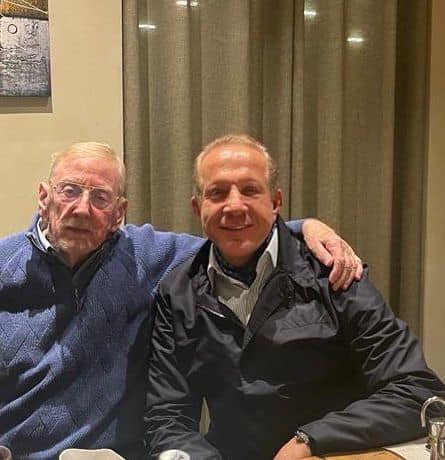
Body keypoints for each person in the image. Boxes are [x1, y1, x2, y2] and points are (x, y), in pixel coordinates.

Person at [0, 142, 361, 460]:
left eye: (100, 198)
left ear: (119, 213)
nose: (81, 208)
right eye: (69, 191)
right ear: (43, 197)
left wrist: (302, 228)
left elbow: (235, 237)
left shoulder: (149, 256)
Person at [144, 134, 445, 460]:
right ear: (197, 207)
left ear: (275, 202)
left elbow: (418, 392)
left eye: (250, 190)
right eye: (217, 193)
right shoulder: (176, 292)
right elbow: (167, 416)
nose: (234, 205)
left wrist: (311, 440)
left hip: (328, 455)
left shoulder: (333, 274)